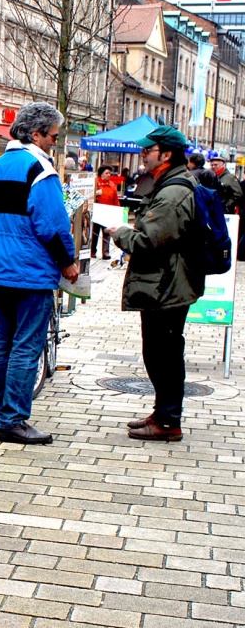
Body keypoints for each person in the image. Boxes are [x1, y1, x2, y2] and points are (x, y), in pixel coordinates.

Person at [0, 102, 78, 445]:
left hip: (2, 267)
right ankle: (12, 419)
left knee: (0, 342)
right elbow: (52, 224)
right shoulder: (40, 169)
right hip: (31, 268)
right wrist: (68, 261)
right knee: (26, 345)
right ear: (36, 134)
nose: (54, 142)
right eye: (53, 136)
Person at [106, 126, 204, 442]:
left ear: (166, 154)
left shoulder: (174, 192)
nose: (142, 155)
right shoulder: (169, 183)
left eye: (147, 150)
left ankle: (168, 421)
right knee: (160, 351)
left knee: (164, 354)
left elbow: (149, 241)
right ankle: (162, 413)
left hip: (168, 285)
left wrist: (120, 233)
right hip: (166, 282)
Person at [90, 165, 120, 259]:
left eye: (110, 173)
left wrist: (117, 210)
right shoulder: (96, 183)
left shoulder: (112, 185)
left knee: (107, 233)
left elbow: (115, 199)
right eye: (107, 173)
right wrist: (95, 193)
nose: (109, 175)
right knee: (95, 232)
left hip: (108, 212)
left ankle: (105, 252)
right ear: (101, 174)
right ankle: (92, 251)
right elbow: (89, 195)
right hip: (97, 211)